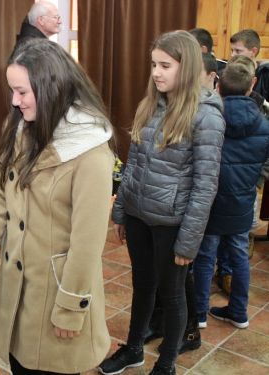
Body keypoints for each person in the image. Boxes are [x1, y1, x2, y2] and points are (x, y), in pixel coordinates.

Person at [0, 38, 115, 374]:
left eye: (22, 92)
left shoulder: (92, 153)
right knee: (19, 364)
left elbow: (87, 244)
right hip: (19, 291)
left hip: (56, 294)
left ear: (51, 89)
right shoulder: (20, 128)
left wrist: (71, 308)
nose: (15, 101)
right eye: (12, 91)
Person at [99, 30, 225, 375]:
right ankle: (134, 348)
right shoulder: (151, 104)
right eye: (154, 64)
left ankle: (166, 362)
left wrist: (189, 240)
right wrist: (122, 210)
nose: (156, 72)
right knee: (143, 286)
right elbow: (134, 164)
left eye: (165, 65)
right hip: (140, 216)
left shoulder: (207, 116)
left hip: (172, 223)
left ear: (186, 67)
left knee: (172, 295)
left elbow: (205, 187)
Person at [193, 62, 269, 330]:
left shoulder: (209, 118)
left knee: (204, 257)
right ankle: (238, 312)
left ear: (218, 87)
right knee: (239, 258)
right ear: (251, 89)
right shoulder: (264, 125)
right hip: (242, 202)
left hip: (210, 202)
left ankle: (199, 314)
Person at [230, 29, 269, 101]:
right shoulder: (228, 72)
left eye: (238, 51)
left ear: (253, 52)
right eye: (232, 50)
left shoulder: (266, 75)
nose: (232, 55)